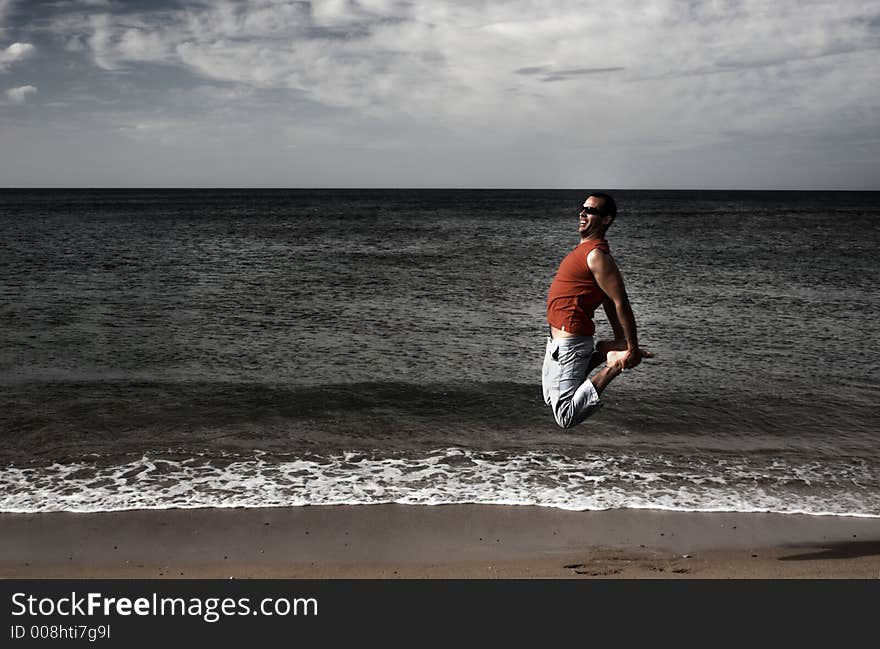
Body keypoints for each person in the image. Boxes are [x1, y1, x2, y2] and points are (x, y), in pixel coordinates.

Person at [542, 192, 652, 428]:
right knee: (550, 399)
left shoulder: (597, 256)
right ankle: (604, 353)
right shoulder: (583, 251)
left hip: (570, 343)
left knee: (565, 416)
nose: (582, 213)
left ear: (606, 220)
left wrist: (630, 347)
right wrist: (619, 339)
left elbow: (620, 302)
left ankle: (612, 365)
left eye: (591, 210)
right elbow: (606, 300)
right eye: (582, 208)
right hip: (556, 344)